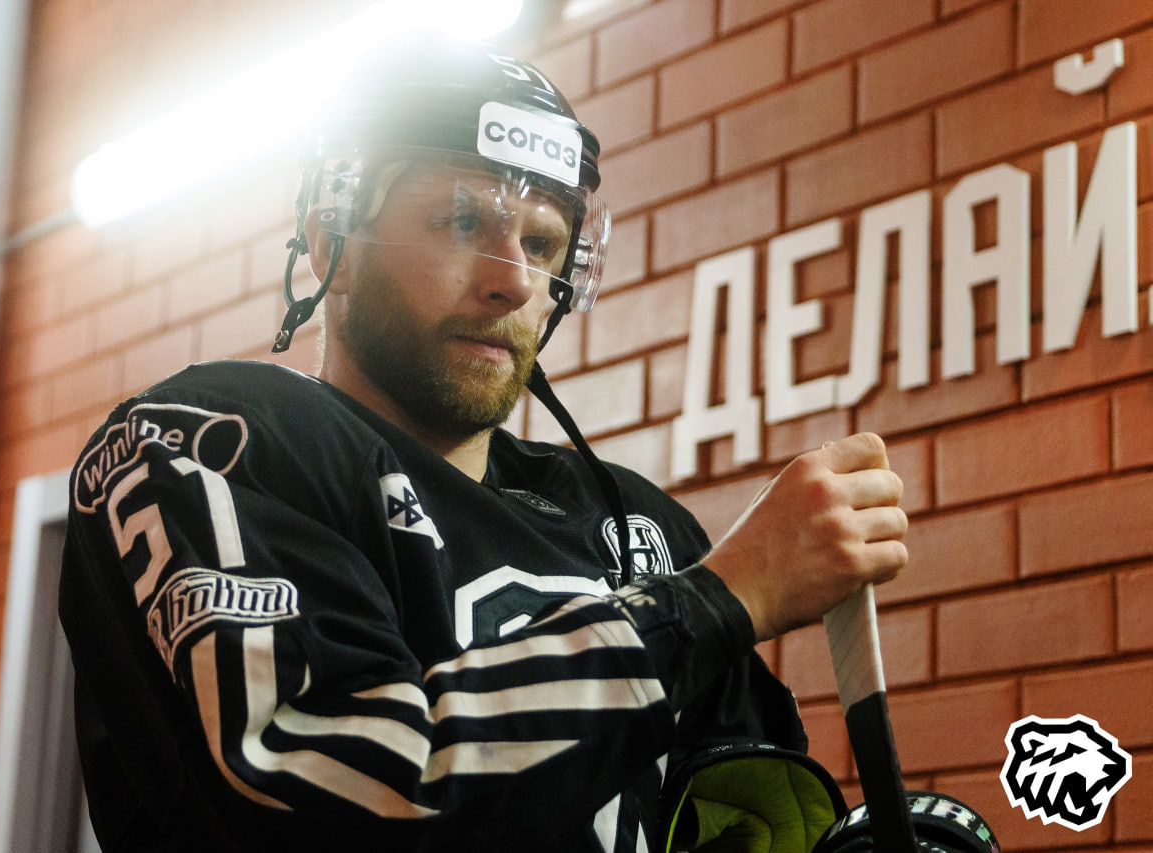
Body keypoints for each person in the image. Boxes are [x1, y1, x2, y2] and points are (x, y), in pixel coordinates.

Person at [59, 33, 908, 853]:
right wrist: (716, 601)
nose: (514, 279)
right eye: (462, 221)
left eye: (541, 242)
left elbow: (742, 813)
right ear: (331, 243)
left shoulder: (641, 528)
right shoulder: (204, 444)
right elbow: (345, 796)